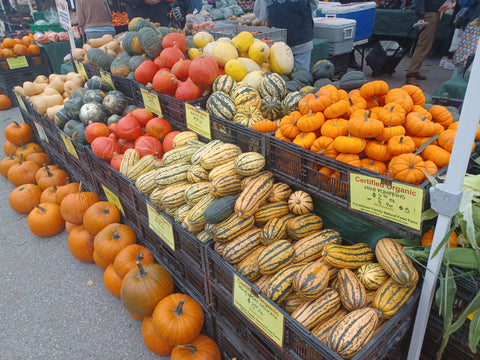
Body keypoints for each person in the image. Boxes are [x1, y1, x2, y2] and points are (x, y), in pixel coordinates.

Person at [254, 0, 317, 70]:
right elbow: (314, 5)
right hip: (302, 36)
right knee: (301, 75)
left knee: (279, 76)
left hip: (277, 43)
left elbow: (262, 15)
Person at [405, 0, 445, 85]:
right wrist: (421, 17)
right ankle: (411, 74)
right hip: (429, 14)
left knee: (426, 44)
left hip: (433, 12)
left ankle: (414, 70)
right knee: (424, 44)